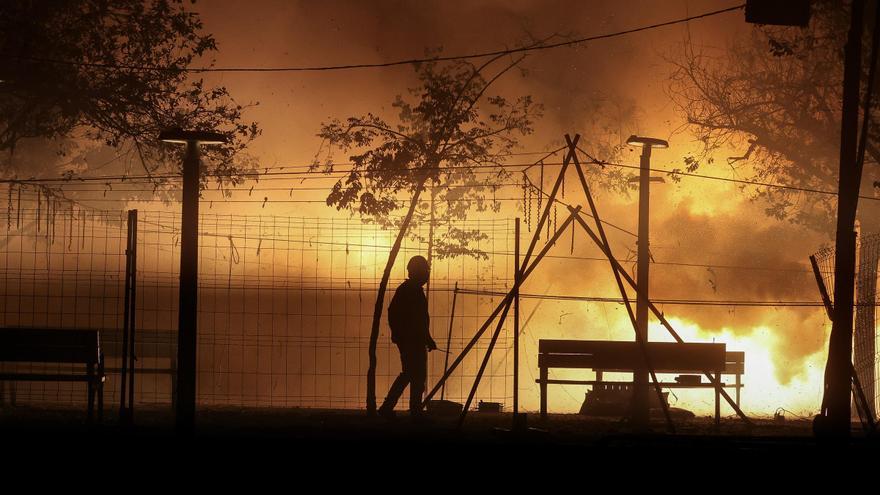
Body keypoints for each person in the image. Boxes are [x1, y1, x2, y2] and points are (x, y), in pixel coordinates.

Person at [378, 255, 437, 419]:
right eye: (424, 271)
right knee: (414, 375)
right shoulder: (410, 291)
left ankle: (397, 408)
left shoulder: (411, 290)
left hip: (413, 340)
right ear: (417, 272)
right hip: (411, 340)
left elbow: (419, 320)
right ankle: (408, 410)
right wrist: (404, 336)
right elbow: (413, 319)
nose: (426, 274)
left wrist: (426, 338)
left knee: (412, 374)